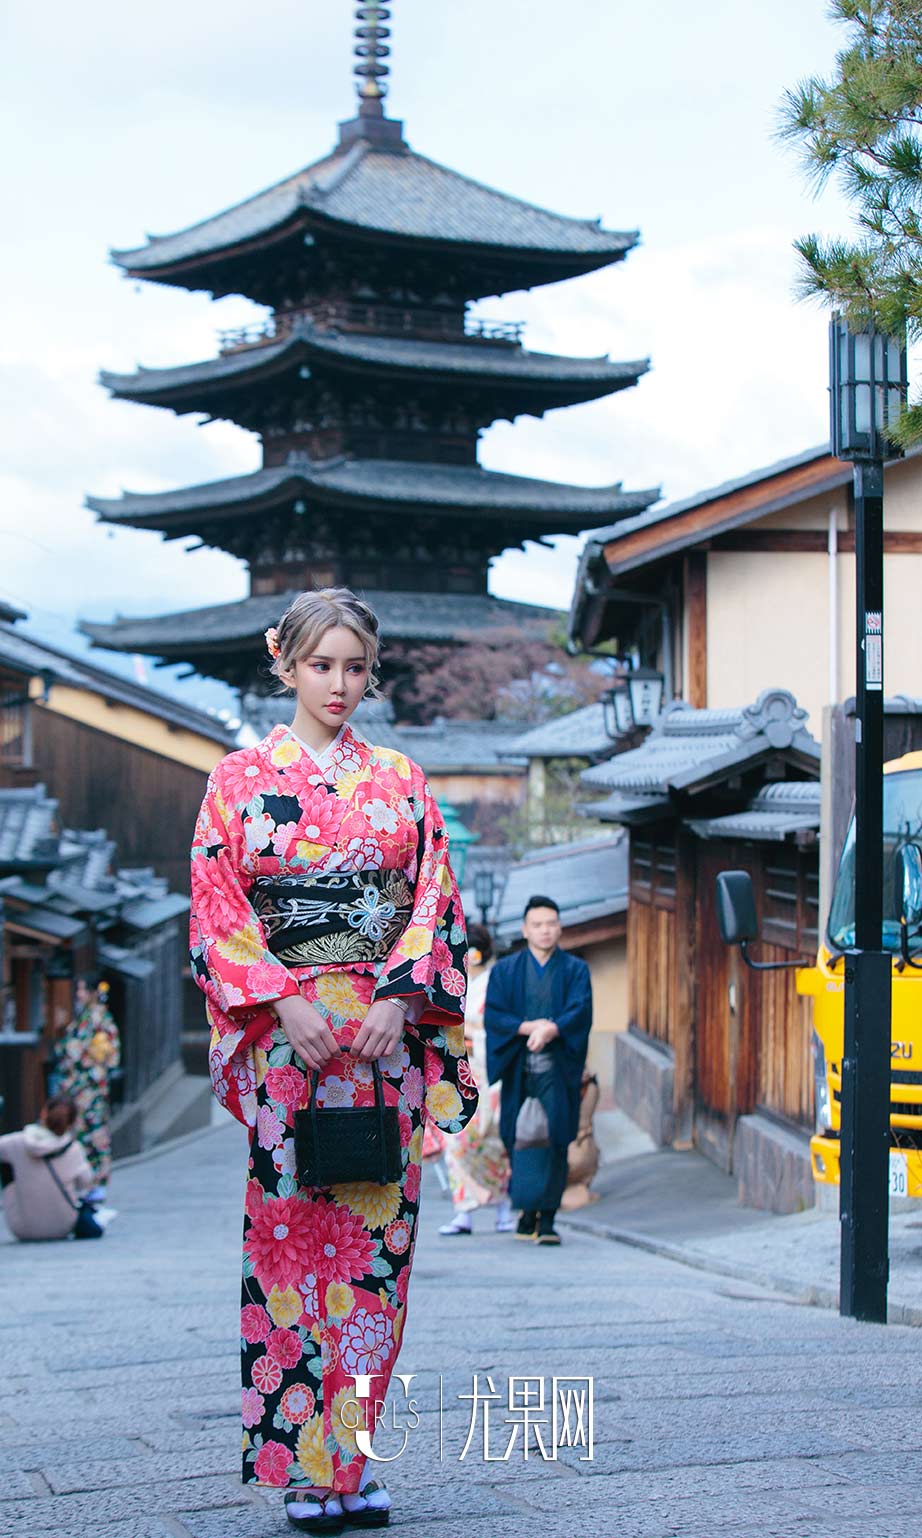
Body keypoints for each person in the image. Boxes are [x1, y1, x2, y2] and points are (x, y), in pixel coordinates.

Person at [189, 588, 477, 1533]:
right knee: (290, 1247)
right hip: (287, 1044)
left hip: (383, 1043)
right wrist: (280, 998)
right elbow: (219, 910)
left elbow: (433, 898)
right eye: (322, 666)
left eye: (356, 667)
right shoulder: (237, 781)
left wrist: (401, 999)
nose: (340, 685)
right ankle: (302, 1470)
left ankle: (352, 1464)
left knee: (375, 1256)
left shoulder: (400, 779)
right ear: (286, 666)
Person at [484, 895, 592, 1246]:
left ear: (559, 927)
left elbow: (580, 1011)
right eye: (538, 925)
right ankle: (525, 1211)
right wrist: (529, 1028)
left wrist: (553, 1029)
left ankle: (547, 1219)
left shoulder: (576, 970)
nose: (545, 931)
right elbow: (495, 1016)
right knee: (517, 1137)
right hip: (519, 1068)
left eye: (551, 924)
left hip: (557, 1070)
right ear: (525, 930)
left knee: (558, 1138)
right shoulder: (505, 971)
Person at [438, 924, 514, 1236]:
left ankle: (503, 1208)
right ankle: (464, 1211)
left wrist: (470, 1030)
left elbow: (500, 1025)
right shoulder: (454, 978)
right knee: (454, 1141)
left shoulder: (495, 982)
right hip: (458, 1071)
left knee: (492, 1140)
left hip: (488, 1070)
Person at [53, 974, 120, 1195]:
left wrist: (83, 1061)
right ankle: (84, 1181)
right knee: (80, 1132)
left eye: (82, 990)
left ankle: (98, 1182)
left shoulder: (99, 1018)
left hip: (90, 1086)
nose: (79, 994)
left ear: (92, 992)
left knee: (95, 1132)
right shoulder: (84, 1017)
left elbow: (108, 1054)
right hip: (77, 1086)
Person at [0, 1094, 95, 1241]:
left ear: (43, 1113)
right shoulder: (73, 1148)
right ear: (71, 1123)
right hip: (62, 1225)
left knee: (7, 1163)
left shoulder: (16, 1142)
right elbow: (86, 1181)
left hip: (22, 1227)